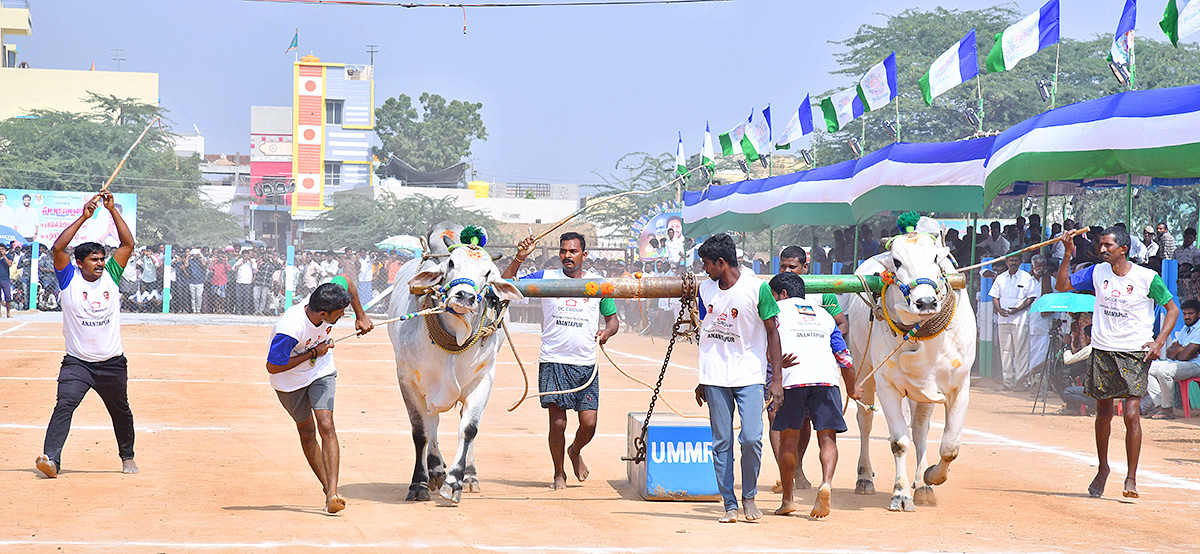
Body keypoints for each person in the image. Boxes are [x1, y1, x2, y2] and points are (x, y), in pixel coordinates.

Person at [1055, 225, 1179, 499]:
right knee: (1103, 414)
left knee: (1132, 414)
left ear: (1123, 249)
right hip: (1103, 351)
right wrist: (1067, 253)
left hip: (1135, 353)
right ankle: (1103, 468)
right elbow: (1062, 285)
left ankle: (1131, 478)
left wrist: (1159, 342)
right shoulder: (1097, 272)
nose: (1102, 249)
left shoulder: (1148, 278)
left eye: (1108, 245)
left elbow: (1172, 309)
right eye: (1101, 245)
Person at [503, 232, 619, 490]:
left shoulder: (598, 283)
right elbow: (506, 286)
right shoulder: (545, 278)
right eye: (564, 251)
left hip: (586, 363)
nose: (568, 256)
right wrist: (519, 258)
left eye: (573, 251)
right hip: (553, 361)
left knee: (589, 424)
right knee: (558, 423)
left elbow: (613, 321)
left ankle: (575, 450)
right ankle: (559, 473)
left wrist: (606, 332)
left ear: (584, 255)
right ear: (559, 254)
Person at [36, 192, 137, 478]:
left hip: (112, 363)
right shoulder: (68, 278)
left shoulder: (112, 276)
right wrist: (85, 216)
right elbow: (58, 247)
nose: (101, 263)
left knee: (121, 412)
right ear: (80, 262)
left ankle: (127, 457)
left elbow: (128, 244)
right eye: (94, 259)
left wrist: (112, 210)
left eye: (102, 258)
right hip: (78, 363)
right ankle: (51, 459)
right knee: (64, 405)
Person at [693, 233, 782, 523]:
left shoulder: (757, 289)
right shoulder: (705, 290)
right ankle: (729, 503)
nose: (703, 269)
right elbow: (706, 333)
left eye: (706, 263)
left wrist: (776, 379)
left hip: (750, 374)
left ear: (721, 262)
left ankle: (749, 496)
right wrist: (702, 378)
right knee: (722, 442)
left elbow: (772, 332)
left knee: (752, 438)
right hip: (715, 376)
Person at [265, 277, 372, 514]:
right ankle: (327, 489)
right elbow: (273, 366)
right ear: (323, 313)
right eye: (339, 313)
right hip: (289, 382)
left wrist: (360, 315)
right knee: (307, 430)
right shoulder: (291, 328)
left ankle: (332, 494)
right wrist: (314, 351)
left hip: (321, 371)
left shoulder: (325, 296)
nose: (342, 316)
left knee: (327, 424)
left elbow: (347, 280)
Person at [766, 272, 860, 518]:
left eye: (773, 295)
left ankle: (788, 499)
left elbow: (764, 344)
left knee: (788, 439)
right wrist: (852, 388)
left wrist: (774, 364)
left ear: (782, 294)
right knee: (828, 439)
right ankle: (826, 482)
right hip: (826, 378)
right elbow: (845, 359)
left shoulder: (775, 312)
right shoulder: (825, 315)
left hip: (794, 379)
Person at [769, 245, 849, 493]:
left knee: (797, 428)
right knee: (777, 419)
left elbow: (842, 324)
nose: (786, 270)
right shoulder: (772, 293)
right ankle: (790, 474)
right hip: (791, 367)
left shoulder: (824, 294)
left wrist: (816, 341)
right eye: (783, 266)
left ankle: (791, 481)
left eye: (792, 266)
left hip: (800, 370)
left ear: (805, 268)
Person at [1147, 299, 1200, 419]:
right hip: (1180, 363)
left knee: (1165, 371)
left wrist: (1181, 351)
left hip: (1196, 365)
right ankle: (1160, 405)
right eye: (1185, 314)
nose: (1187, 317)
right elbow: (1169, 353)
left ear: (1199, 314)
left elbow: (1184, 356)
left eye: (1190, 314)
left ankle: (1167, 409)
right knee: (1148, 368)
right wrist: (1184, 349)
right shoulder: (1185, 329)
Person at [991, 256, 1037, 391]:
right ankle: (1008, 382)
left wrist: (1018, 309)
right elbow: (994, 296)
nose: (1013, 263)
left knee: (1021, 351)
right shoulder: (1000, 278)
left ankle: (1022, 382)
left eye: (1016, 260)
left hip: (1020, 320)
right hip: (1003, 320)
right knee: (1005, 351)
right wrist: (999, 310)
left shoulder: (1026, 277)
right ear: (1006, 262)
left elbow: (1031, 297)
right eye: (1011, 260)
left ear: (1021, 262)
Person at [232, 248, 256, 315]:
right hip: (239, 282)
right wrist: (241, 263)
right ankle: (238, 311)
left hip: (248, 282)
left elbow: (254, 267)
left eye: (247, 255)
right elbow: (233, 268)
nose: (245, 256)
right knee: (238, 297)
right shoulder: (239, 260)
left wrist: (249, 260)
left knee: (247, 297)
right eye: (244, 255)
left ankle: (246, 311)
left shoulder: (252, 261)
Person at [184, 249, 207, 314]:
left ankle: (198, 309)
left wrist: (200, 256)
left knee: (199, 296)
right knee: (193, 296)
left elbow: (204, 264)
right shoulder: (191, 261)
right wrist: (188, 257)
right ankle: (194, 309)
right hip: (192, 281)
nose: (195, 256)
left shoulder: (200, 261)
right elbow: (186, 265)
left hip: (200, 281)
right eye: (194, 255)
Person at [0, 243, 13, 317]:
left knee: (8, 296)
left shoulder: (8, 256)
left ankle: (8, 312)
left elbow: (9, 264)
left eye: (2, 249)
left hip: (5, 279)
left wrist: (4, 255)